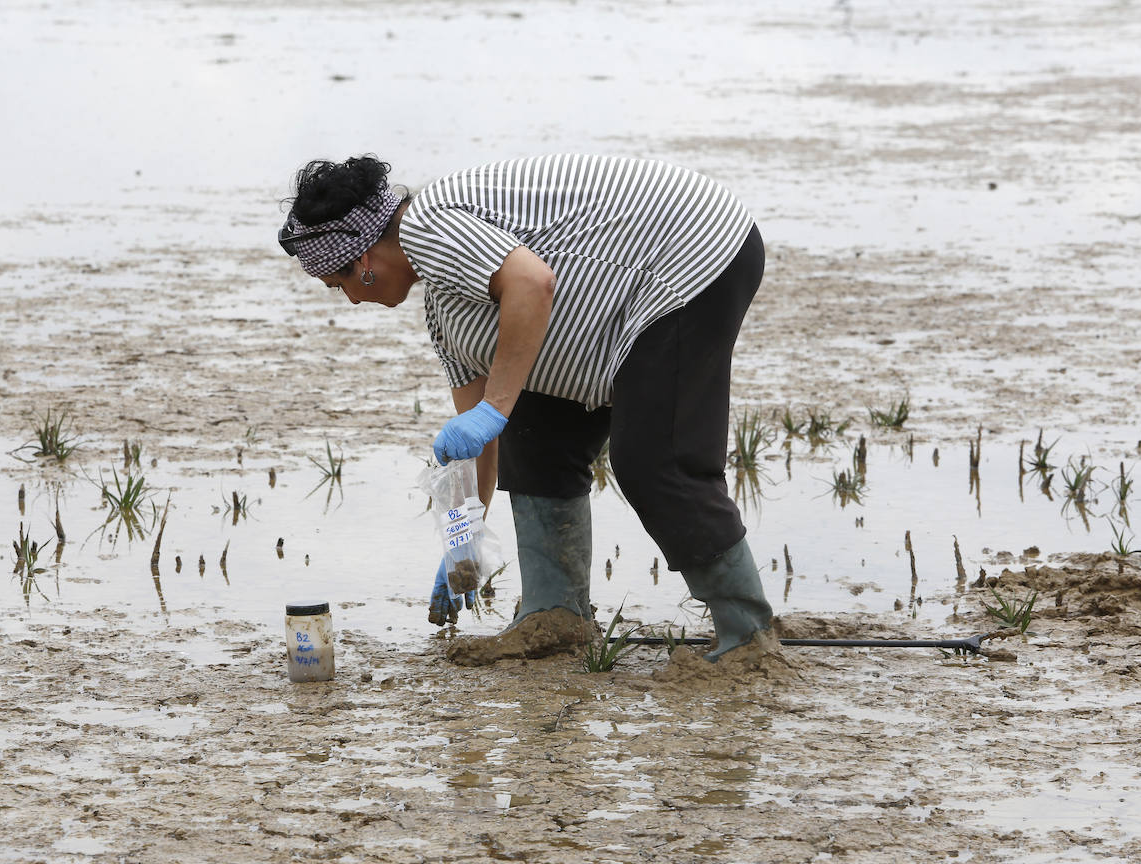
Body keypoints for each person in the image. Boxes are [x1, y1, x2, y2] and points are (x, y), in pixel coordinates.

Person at [278, 153, 773, 664]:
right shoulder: (444, 314)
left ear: (362, 260)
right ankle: (556, 616)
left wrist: (494, 408)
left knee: (655, 461)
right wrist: (463, 547)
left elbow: (531, 283)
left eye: (339, 286)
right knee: (531, 433)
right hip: (618, 298)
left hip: (693, 251)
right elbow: (485, 437)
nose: (352, 302)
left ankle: (748, 638)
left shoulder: (425, 225)